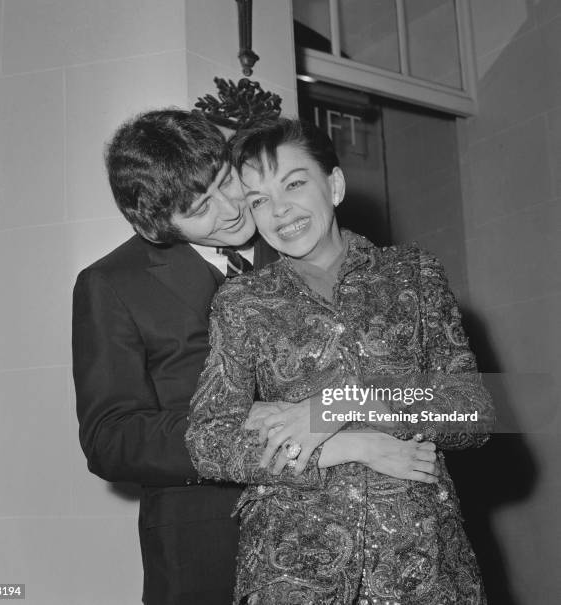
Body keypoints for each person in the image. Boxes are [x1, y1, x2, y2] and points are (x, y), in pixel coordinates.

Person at [186, 118, 494, 604]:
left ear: (334, 184)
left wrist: (342, 404)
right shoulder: (241, 301)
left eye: (293, 183)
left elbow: (472, 412)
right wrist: (344, 447)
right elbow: (208, 440)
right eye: (259, 200)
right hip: (290, 568)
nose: (279, 210)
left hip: (420, 560)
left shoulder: (412, 273)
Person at [72, 109, 279, 605]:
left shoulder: (293, 235)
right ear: (156, 224)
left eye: (227, 181)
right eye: (199, 207)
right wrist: (243, 424)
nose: (231, 209)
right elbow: (109, 438)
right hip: (209, 546)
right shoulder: (110, 284)